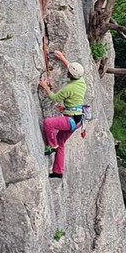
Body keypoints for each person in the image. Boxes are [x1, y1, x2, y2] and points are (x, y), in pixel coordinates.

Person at [38, 50, 86, 179]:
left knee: (48, 123)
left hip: (71, 121)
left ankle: (52, 145)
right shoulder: (81, 81)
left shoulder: (68, 88)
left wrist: (45, 87)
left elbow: (54, 97)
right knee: (62, 143)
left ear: (69, 74)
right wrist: (63, 58)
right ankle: (58, 172)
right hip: (78, 120)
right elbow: (74, 70)